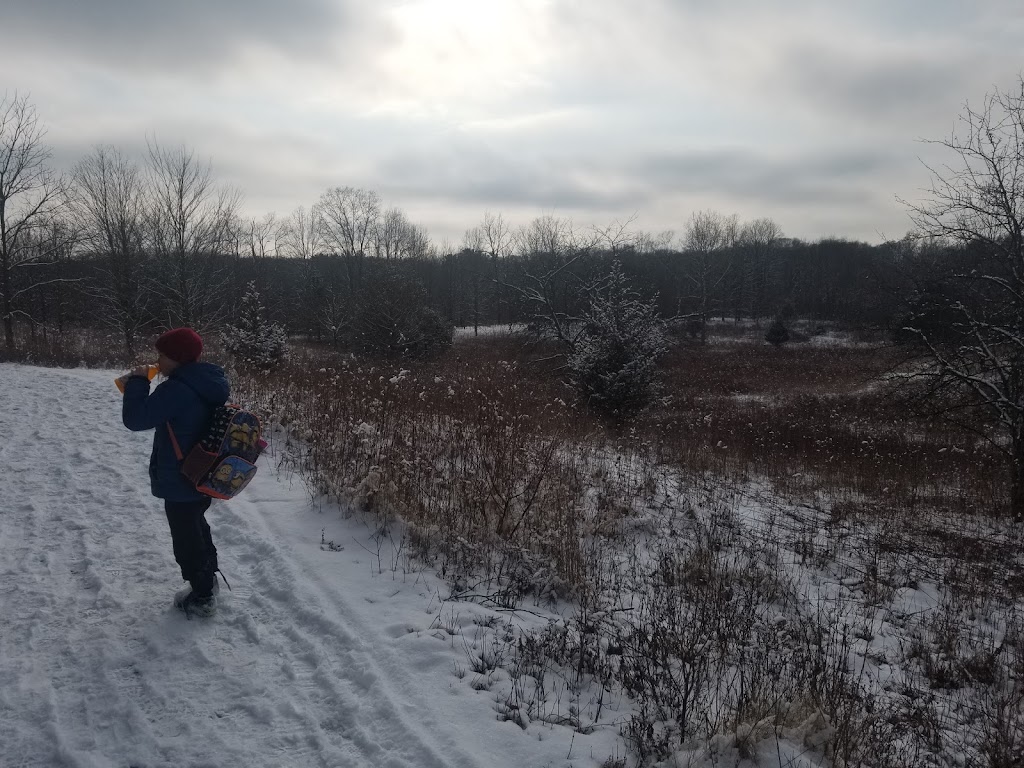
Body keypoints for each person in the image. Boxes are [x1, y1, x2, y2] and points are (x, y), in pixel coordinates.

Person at [120, 327, 230, 618]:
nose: (159, 360)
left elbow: (135, 419)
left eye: (163, 356)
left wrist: (137, 383)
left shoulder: (177, 388)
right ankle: (208, 580)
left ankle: (202, 595)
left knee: (186, 537)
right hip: (201, 471)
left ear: (178, 359)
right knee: (196, 526)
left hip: (181, 476)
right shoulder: (206, 381)